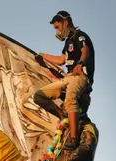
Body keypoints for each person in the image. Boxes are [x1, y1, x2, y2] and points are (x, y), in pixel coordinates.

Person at [34, 10, 95, 150]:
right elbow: (61, 60)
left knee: (70, 97)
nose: (57, 31)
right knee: (38, 96)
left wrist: (80, 63)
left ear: (65, 23)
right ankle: (62, 115)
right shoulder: (68, 41)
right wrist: (43, 56)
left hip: (80, 76)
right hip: (68, 77)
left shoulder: (80, 36)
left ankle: (74, 138)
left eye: (57, 27)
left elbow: (86, 50)